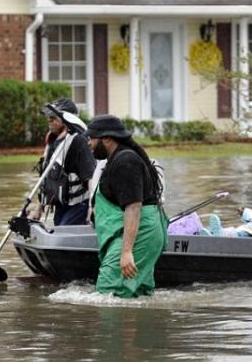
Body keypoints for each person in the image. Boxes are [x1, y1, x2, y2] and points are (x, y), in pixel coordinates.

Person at [85, 114, 167, 298]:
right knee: (136, 295)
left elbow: (134, 207)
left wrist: (127, 251)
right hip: (139, 232)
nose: (89, 143)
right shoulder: (116, 160)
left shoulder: (125, 161)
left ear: (106, 139)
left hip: (140, 232)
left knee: (108, 292)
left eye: (91, 138)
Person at [30, 98, 97, 226]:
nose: (49, 119)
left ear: (68, 120)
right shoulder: (52, 141)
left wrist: (91, 207)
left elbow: (90, 178)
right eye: (49, 116)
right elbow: (47, 179)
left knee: (64, 235)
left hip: (79, 207)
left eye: (54, 117)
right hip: (62, 207)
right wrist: (39, 208)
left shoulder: (79, 142)